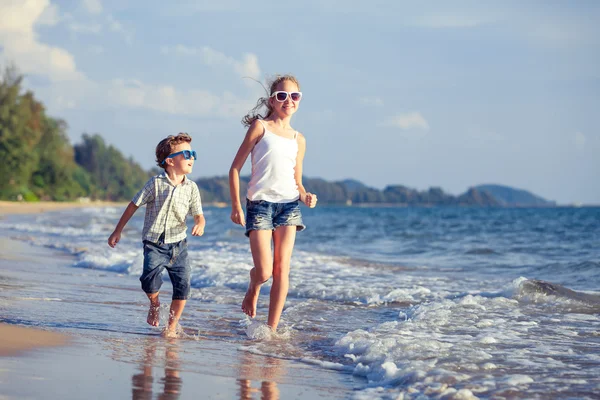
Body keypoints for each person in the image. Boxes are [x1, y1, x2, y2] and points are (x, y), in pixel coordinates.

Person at [229, 74, 317, 332]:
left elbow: (297, 181)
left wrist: (306, 195)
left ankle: (271, 329)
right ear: (272, 100)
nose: (288, 100)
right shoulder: (260, 127)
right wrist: (236, 205)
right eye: (282, 95)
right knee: (265, 271)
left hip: (289, 206)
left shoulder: (299, 139)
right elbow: (235, 168)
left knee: (282, 269)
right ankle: (254, 285)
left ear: (299, 101)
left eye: (294, 96)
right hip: (259, 205)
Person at [108, 133, 205, 338]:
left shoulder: (192, 188)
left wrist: (199, 223)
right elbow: (134, 204)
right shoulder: (155, 183)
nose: (192, 157)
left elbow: (198, 214)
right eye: (187, 153)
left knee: (184, 285)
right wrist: (118, 230)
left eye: (193, 153)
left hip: (179, 244)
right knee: (149, 281)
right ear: (170, 161)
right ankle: (154, 303)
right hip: (154, 243)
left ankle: (171, 327)